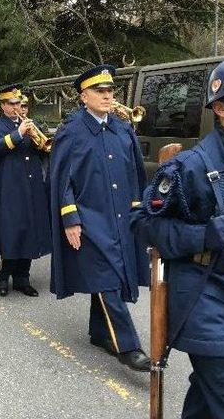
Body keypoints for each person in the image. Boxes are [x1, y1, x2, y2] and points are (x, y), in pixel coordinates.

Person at [132, 56, 224, 417]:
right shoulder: (190, 166)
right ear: (221, 109)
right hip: (205, 295)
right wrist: (200, 235)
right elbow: (145, 224)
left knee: (209, 401)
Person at [50, 65, 150, 372]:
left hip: (120, 215)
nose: (108, 96)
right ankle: (128, 346)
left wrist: (138, 209)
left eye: (110, 91)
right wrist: (70, 219)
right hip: (91, 217)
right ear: (84, 96)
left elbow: (135, 172)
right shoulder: (72, 130)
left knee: (115, 273)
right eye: (100, 91)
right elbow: (60, 179)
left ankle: (99, 332)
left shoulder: (122, 128)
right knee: (107, 275)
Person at [0, 84, 51, 297]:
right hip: (10, 186)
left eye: (20, 103)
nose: (17, 107)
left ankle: (23, 279)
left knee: (30, 229)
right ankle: (3, 274)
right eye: (12, 104)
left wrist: (39, 142)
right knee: (12, 231)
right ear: (3, 105)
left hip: (31, 184)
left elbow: (42, 149)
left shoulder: (29, 124)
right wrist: (17, 134)